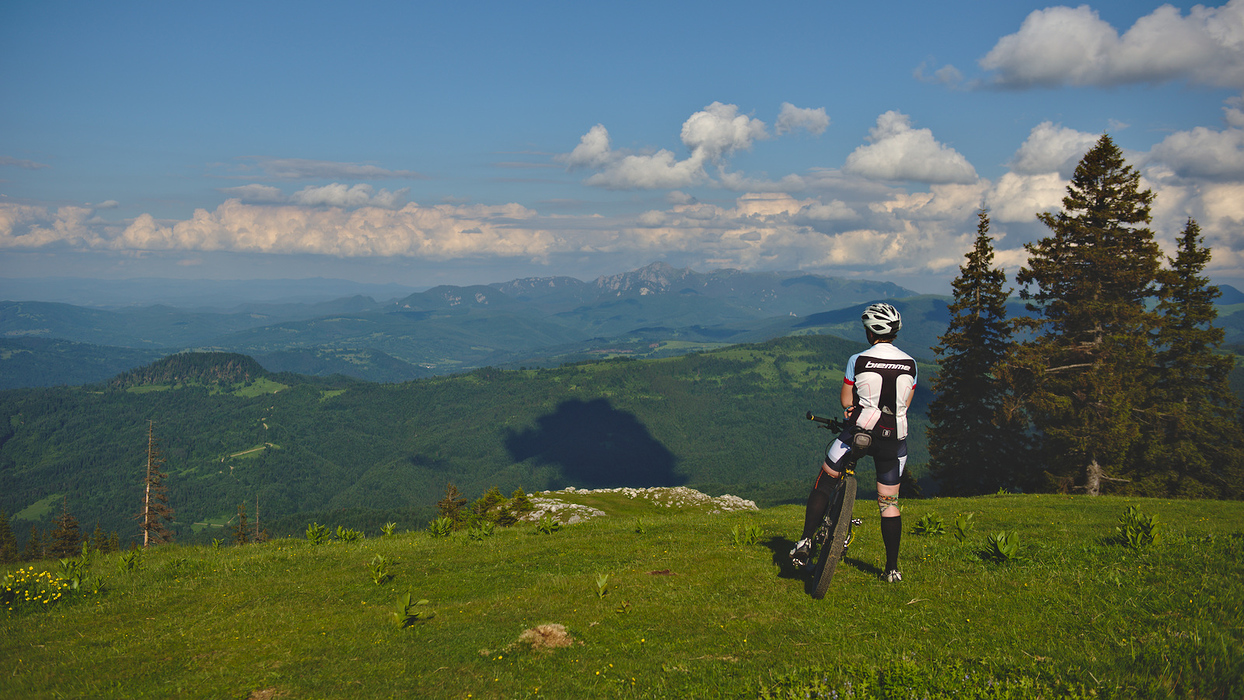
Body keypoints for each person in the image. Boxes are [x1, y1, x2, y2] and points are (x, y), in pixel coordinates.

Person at [789, 302, 916, 583]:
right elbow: (905, 403)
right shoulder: (910, 363)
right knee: (889, 502)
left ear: (870, 332)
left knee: (828, 476)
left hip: (859, 433)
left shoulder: (858, 360)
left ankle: (805, 541)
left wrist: (853, 411)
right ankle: (891, 569)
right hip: (894, 439)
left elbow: (847, 400)